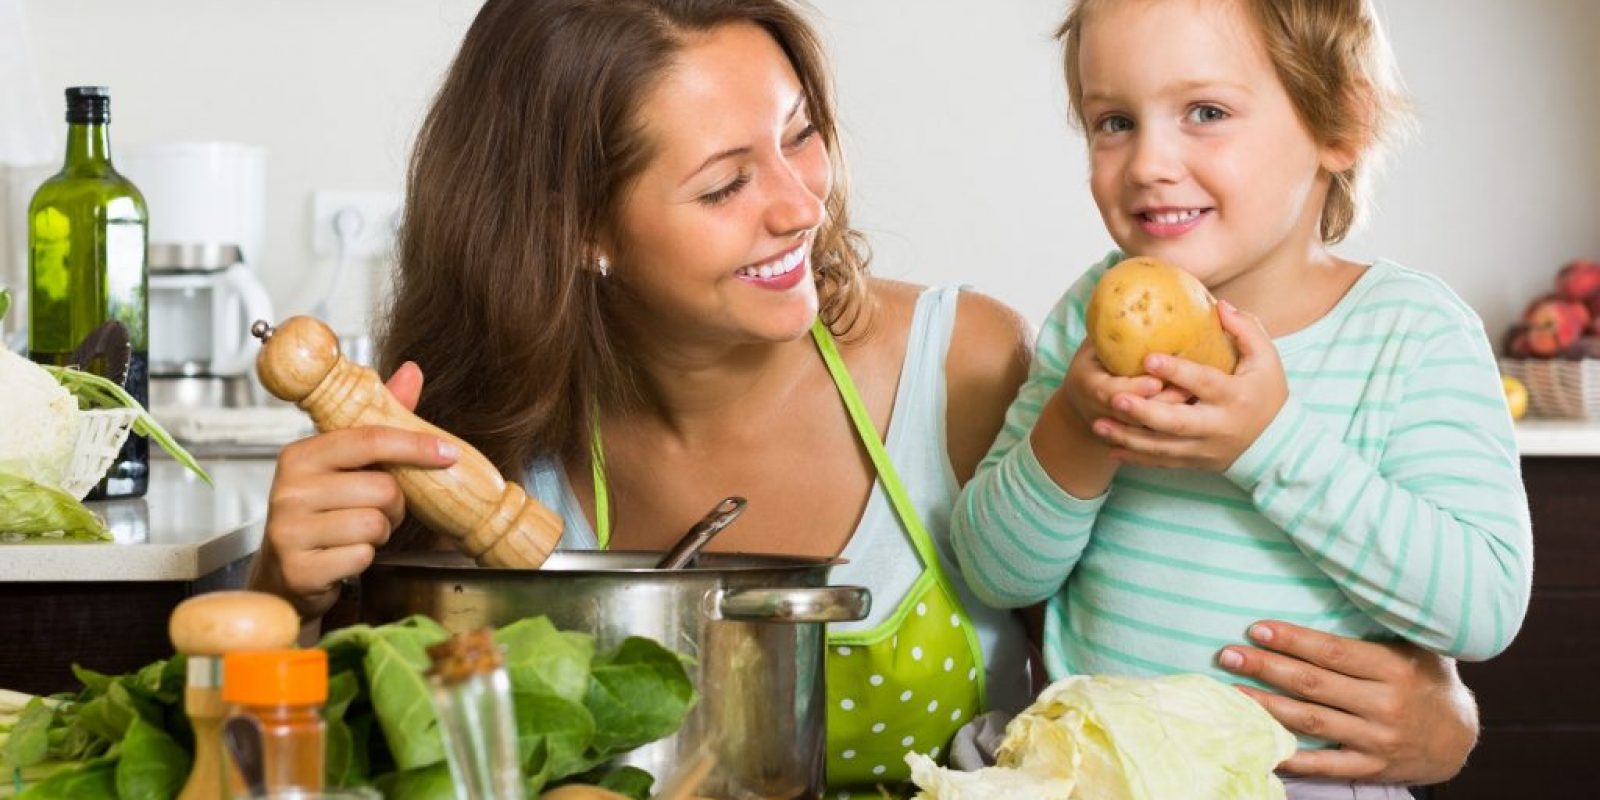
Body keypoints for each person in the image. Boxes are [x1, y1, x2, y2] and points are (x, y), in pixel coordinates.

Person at [248, 0, 1485, 793]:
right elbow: (367, 759)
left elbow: (1170, 614)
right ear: (581, 229)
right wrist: (287, 596)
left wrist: (1447, 718)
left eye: (800, 135)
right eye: (725, 183)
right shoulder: (475, 457)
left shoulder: (966, 362)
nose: (801, 204)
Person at [949, 0, 1532, 797]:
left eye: (1207, 112)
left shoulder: (1411, 333)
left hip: (1304, 780)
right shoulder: (1091, 321)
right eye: (1114, 122)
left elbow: (1483, 608)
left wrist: (1271, 445)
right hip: (1095, 775)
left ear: (1341, 123)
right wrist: (1078, 426)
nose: (1148, 162)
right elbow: (996, 575)